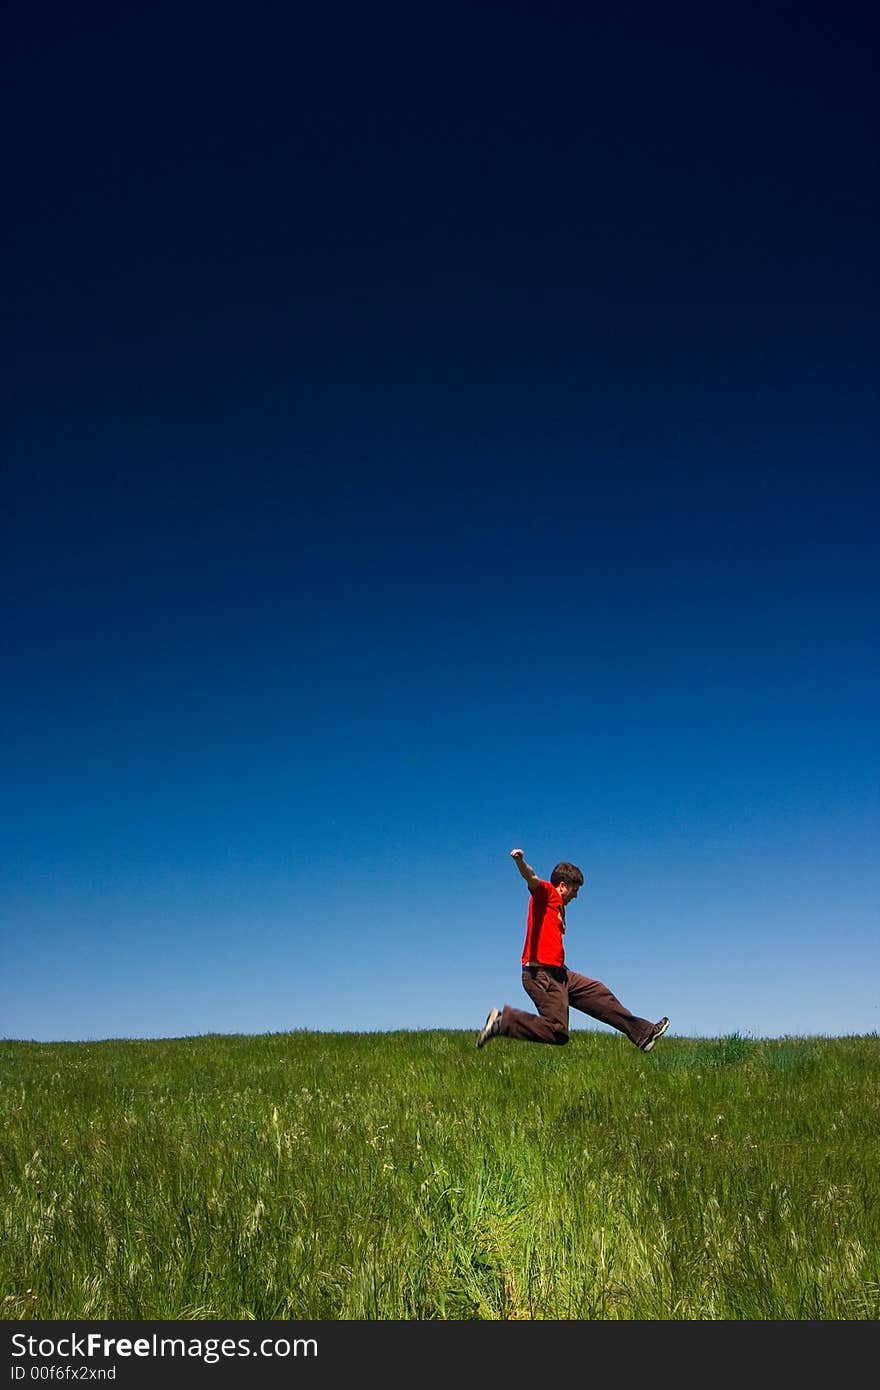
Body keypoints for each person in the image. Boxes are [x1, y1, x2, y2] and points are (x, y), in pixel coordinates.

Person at [476, 848, 669, 1052]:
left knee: (599, 994)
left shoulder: (559, 907)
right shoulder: (546, 893)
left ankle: (644, 1035)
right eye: (574, 890)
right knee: (557, 1032)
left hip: (560, 973)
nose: (576, 896)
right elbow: (530, 877)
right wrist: (520, 862)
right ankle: (502, 1022)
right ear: (562, 886)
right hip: (540, 974)